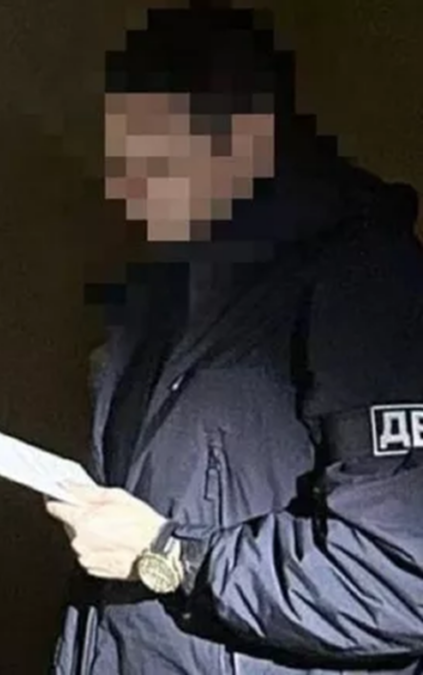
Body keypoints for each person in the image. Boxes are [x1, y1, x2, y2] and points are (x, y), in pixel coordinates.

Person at [45, 6, 423, 674]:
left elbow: (402, 577)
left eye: (151, 154)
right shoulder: (165, 294)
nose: (126, 186)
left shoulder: (366, 283)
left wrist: (170, 555)